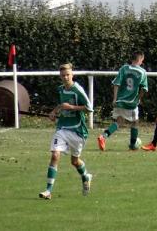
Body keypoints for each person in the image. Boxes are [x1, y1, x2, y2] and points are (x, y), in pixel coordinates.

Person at [39, 63, 93, 200]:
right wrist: (54, 112)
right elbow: (63, 105)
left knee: (75, 161)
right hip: (62, 128)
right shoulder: (60, 89)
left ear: (72, 75)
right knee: (55, 155)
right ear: (60, 76)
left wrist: (72, 107)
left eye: (68, 75)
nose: (65, 77)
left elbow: (89, 108)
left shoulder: (78, 90)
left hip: (78, 130)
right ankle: (48, 190)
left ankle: (86, 176)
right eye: (63, 75)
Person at [97, 50, 148, 151]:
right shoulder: (142, 72)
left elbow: (116, 84)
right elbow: (144, 89)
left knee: (119, 121)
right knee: (135, 122)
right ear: (140, 60)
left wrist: (115, 99)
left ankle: (103, 136)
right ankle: (133, 145)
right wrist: (138, 99)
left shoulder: (124, 68)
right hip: (131, 102)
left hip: (120, 101)